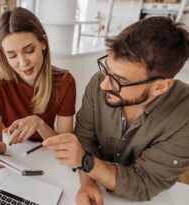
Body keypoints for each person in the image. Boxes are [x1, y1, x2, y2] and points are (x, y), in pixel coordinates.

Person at [43, 16, 189, 204]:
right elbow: (85, 137)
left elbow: (144, 184)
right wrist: (87, 182)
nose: (104, 85)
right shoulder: (99, 82)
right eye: (107, 69)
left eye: (119, 81)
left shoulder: (184, 117)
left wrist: (87, 162)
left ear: (159, 87)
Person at [0, 7, 76, 168]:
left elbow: (64, 145)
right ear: (3, 54)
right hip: (14, 154)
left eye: (29, 50)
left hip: (47, 156)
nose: (23, 62)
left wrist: (39, 123)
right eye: (12, 55)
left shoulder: (65, 82)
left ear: (43, 43)